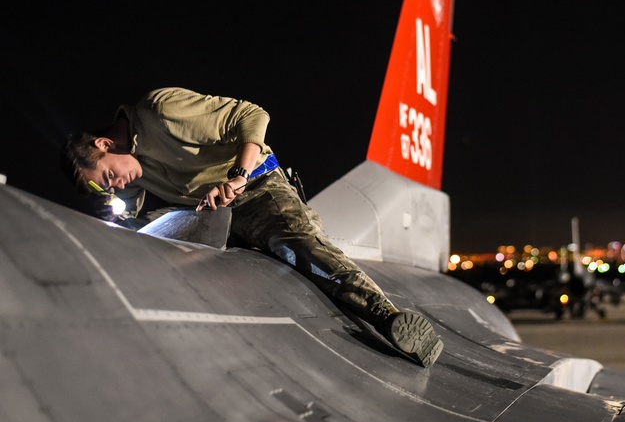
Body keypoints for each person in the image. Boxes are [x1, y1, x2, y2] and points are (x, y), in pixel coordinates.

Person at [60, 87, 443, 367]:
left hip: (256, 188)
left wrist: (238, 176)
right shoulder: (134, 169)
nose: (117, 186)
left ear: (106, 142)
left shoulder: (159, 112)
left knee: (299, 245)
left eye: (109, 176)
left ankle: (390, 318)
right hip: (212, 209)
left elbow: (252, 115)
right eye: (105, 187)